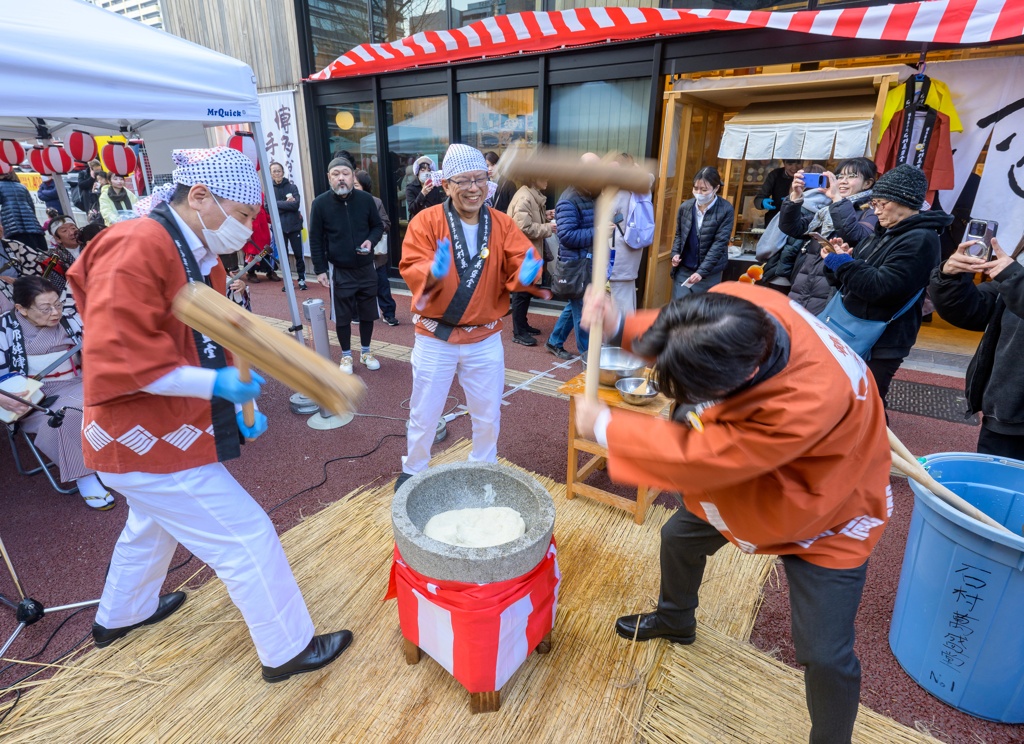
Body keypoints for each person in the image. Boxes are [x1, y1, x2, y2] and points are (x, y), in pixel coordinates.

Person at [66, 146, 350, 683]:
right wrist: (220, 384)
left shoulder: (194, 254)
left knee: (149, 526)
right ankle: (287, 648)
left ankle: (122, 615)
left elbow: (225, 332)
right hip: (141, 437)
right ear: (199, 197)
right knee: (246, 537)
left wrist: (239, 399)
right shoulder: (137, 245)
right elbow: (122, 355)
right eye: (242, 215)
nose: (247, 229)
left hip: (151, 433)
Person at [574, 282, 891, 744]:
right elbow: (682, 331)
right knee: (678, 538)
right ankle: (676, 619)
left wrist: (605, 426)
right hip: (751, 477)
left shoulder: (805, 402)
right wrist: (620, 323)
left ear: (734, 380)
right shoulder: (741, 307)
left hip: (827, 504)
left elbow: (703, 456)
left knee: (825, 654)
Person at [397, 144, 547, 490]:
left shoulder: (502, 223)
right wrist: (431, 274)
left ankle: (484, 462)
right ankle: (414, 467)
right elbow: (411, 265)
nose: (473, 188)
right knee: (424, 412)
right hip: (436, 336)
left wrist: (528, 270)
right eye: (463, 180)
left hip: (485, 336)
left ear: (488, 182)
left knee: (488, 412)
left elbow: (521, 263)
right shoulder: (426, 221)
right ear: (446, 185)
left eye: (479, 179)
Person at [822, 164, 952, 402]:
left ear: (906, 202)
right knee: (843, 399)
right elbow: (851, 280)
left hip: (883, 339)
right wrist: (838, 261)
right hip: (853, 326)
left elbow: (881, 287)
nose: (877, 210)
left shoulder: (921, 238)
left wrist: (842, 263)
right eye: (874, 203)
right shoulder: (883, 231)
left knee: (866, 404)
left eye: (882, 203)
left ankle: (875, 440)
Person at [0, 276, 114, 510]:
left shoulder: (71, 318)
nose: (55, 312)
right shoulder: (4, 329)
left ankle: (125, 458)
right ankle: (85, 477)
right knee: (63, 417)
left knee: (120, 396)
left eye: (58, 305)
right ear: (20, 309)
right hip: (37, 397)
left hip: (81, 381)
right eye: (45, 308)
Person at [930, 237, 1024, 459]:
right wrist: (949, 277)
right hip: (1005, 404)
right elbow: (979, 310)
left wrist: (1014, 277)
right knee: (992, 486)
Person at [310, 155, 385, 374]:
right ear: (329, 177)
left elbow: (378, 226)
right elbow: (316, 239)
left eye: (345, 174)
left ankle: (366, 351)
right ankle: (345, 356)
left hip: (365, 266)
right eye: (336, 174)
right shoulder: (320, 203)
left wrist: (371, 240)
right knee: (342, 315)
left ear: (353, 176)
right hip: (339, 269)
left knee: (368, 311)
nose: (341, 179)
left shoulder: (365, 200)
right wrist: (320, 269)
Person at [776, 158, 878, 315]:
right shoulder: (827, 210)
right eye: (840, 176)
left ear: (867, 183)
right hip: (804, 284)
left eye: (851, 176)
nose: (842, 182)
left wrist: (837, 200)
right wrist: (795, 197)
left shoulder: (871, 212)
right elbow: (792, 228)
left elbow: (855, 236)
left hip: (834, 292)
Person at [546, 152, 599, 360]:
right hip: (577, 264)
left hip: (586, 262)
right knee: (583, 312)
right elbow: (566, 236)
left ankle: (554, 340)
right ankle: (590, 359)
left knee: (574, 305)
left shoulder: (590, 193)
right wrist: (599, 230)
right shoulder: (569, 199)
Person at [669, 166, 733, 300]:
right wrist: (675, 254)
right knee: (679, 310)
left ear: (716, 189)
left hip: (709, 273)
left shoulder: (726, 209)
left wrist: (701, 272)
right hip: (684, 269)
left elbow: (719, 243)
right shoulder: (685, 207)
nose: (699, 193)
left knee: (703, 313)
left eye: (704, 190)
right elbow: (679, 235)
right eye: (696, 188)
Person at [506, 175, 555, 345]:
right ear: (534, 178)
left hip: (527, 253)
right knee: (521, 293)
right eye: (544, 176)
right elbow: (523, 227)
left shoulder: (531, 195)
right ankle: (518, 332)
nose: (548, 180)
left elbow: (528, 221)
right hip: (522, 254)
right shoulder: (525, 197)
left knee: (526, 292)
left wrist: (545, 217)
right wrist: (548, 227)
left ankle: (523, 325)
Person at [353, 169, 398, 326]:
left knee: (382, 283)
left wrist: (373, 228)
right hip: (355, 254)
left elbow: (386, 223)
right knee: (358, 285)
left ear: (365, 186)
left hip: (376, 252)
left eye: (356, 184)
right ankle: (358, 312)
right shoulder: (344, 203)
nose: (353, 187)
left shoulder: (376, 202)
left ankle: (389, 313)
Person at [270, 161, 306, 291]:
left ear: (283, 172)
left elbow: (295, 205)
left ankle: (301, 279)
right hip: (279, 228)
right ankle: (288, 281)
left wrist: (277, 204)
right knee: (283, 256)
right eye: (274, 171)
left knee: (298, 254)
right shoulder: (269, 189)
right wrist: (286, 204)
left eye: (278, 170)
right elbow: (268, 208)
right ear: (271, 174)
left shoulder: (292, 187)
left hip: (294, 226)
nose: (277, 173)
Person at [0, 170, 46, 251]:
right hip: (33, 227)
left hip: (12, 228)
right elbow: (32, 206)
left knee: (23, 256)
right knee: (41, 256)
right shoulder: (22, 186)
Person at [755, 160, 802, 226]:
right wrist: (762, 202)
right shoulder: (775, 175)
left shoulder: (806, 176)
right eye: (790, 164)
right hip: (775, 218)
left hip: (798, 218)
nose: (794, 167)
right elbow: (759, 198)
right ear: (784, 163)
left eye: (798, 163)